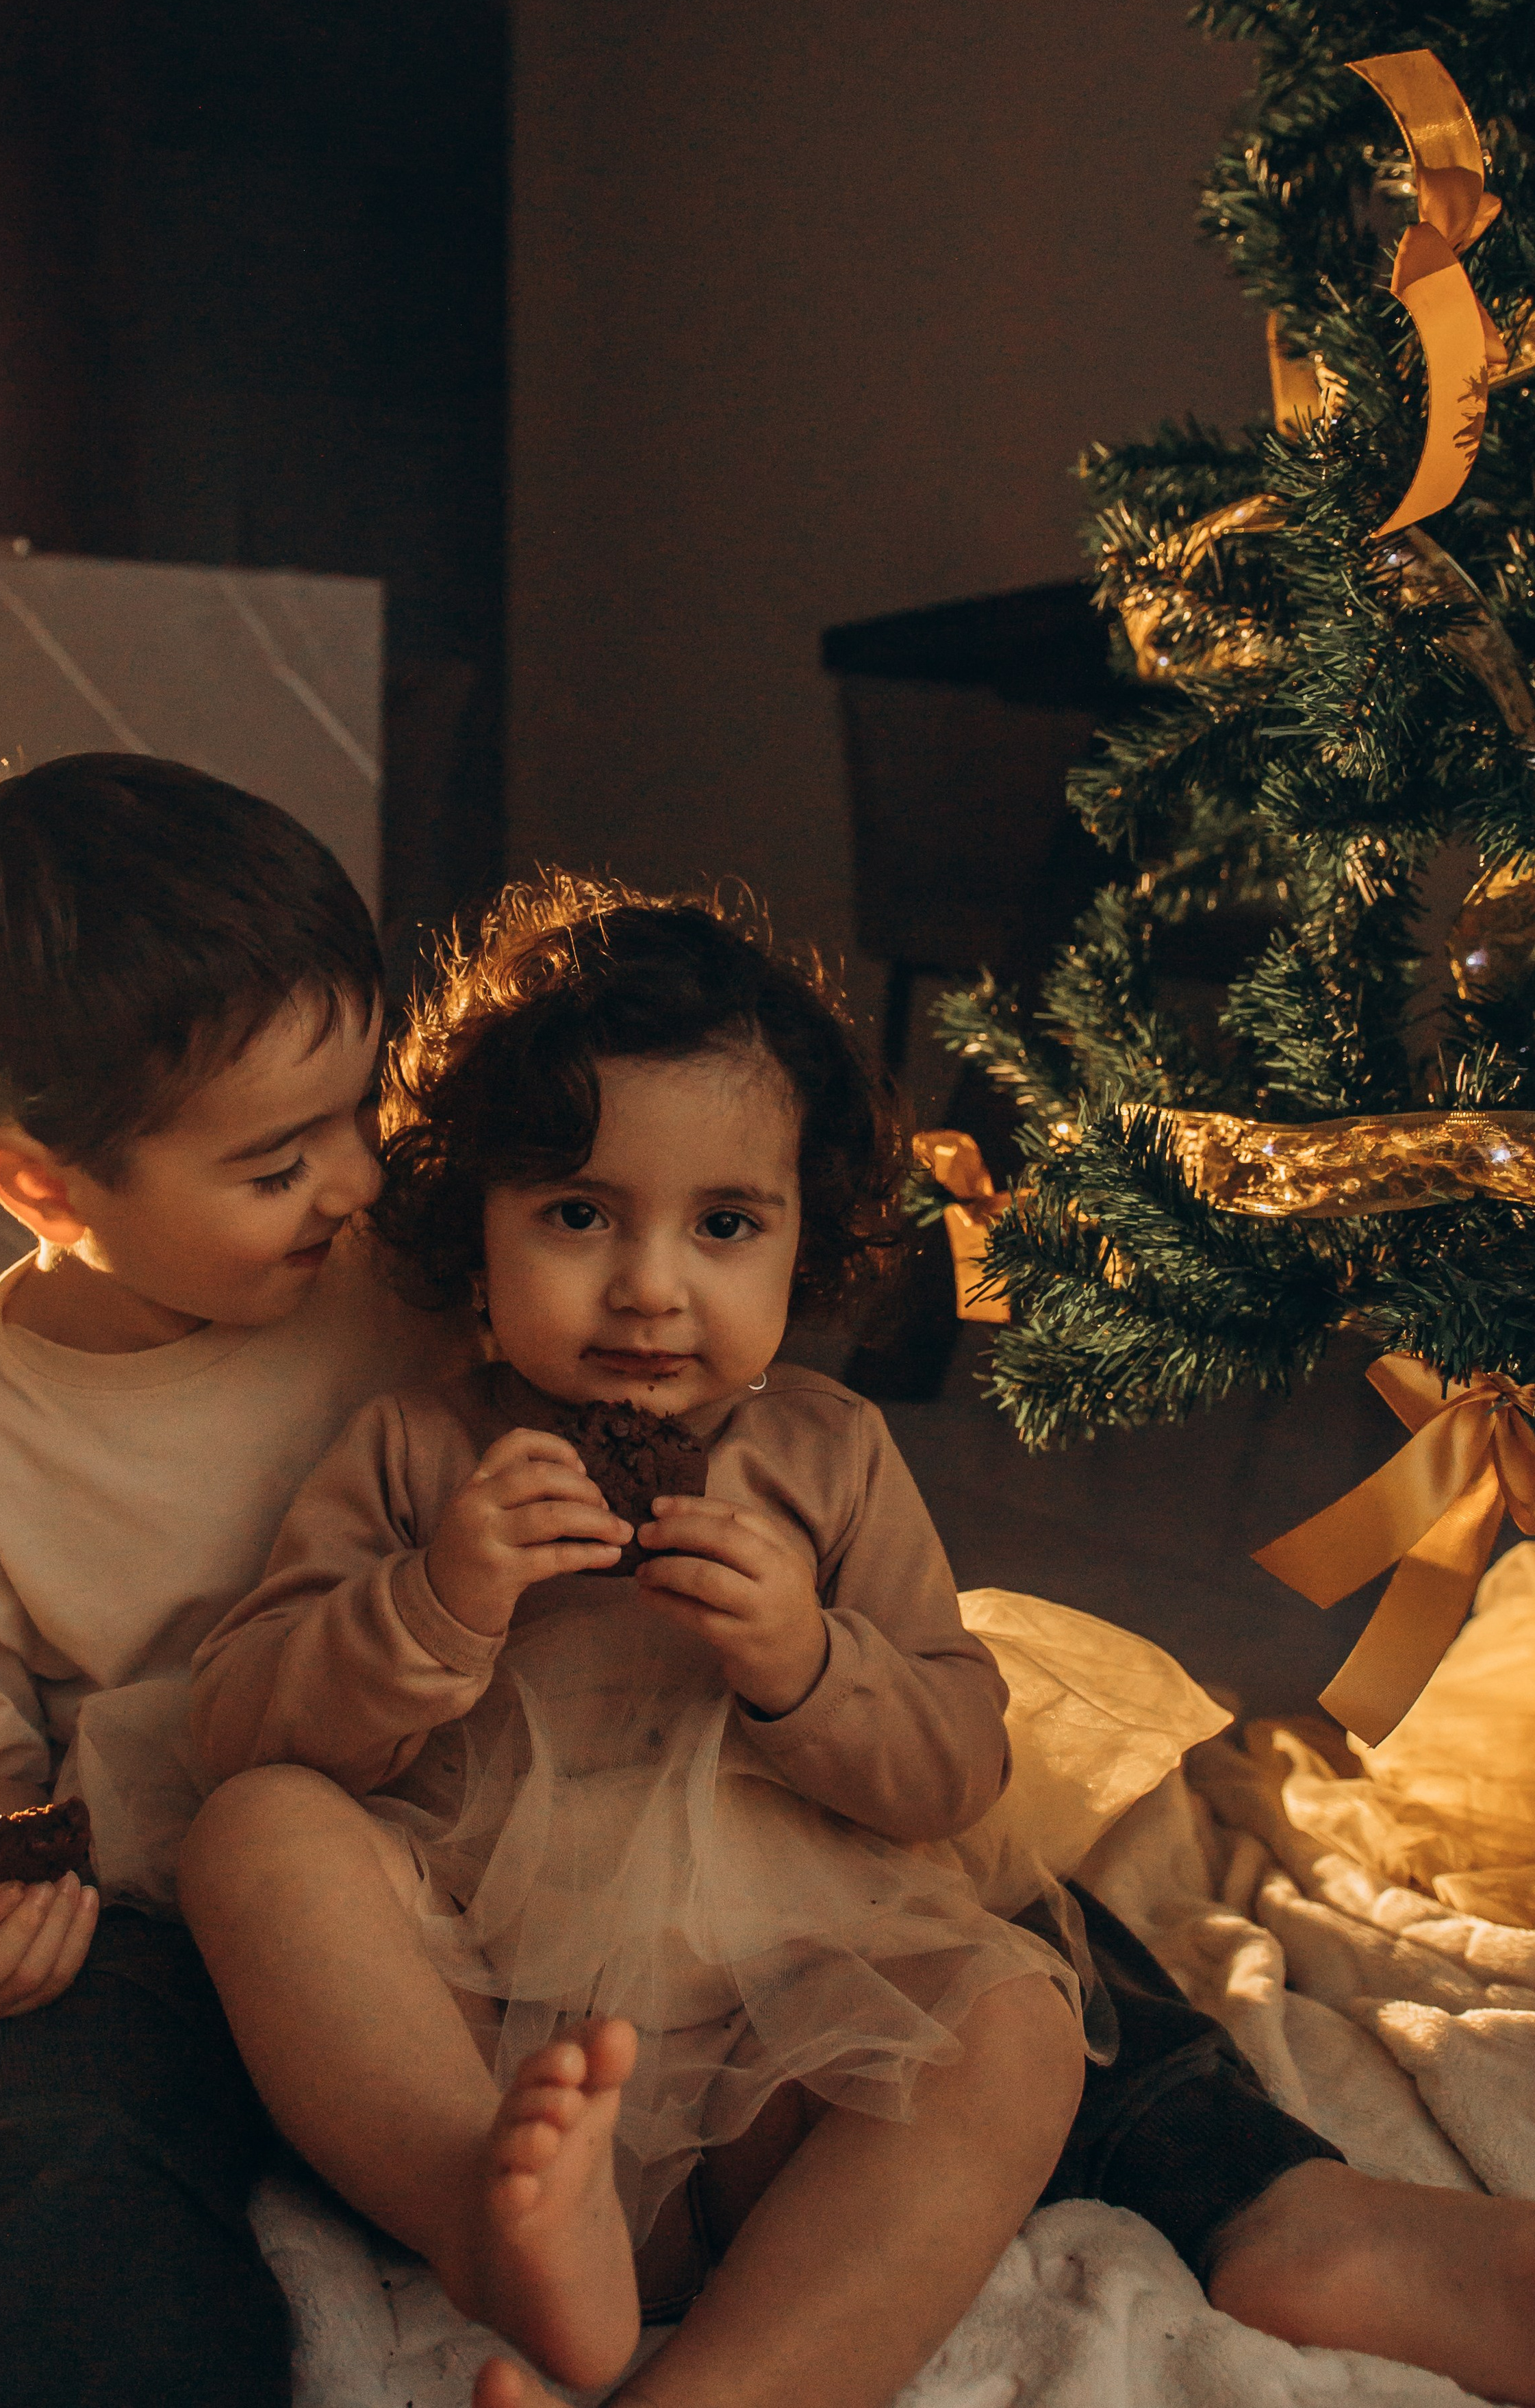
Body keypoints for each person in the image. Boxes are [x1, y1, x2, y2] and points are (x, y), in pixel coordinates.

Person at [181, 875, 1535, 2408]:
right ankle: (487, 2222)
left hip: (787, 2063)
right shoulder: (420, 1452)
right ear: (471, 1229)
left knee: (1013, 2027)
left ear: (802, 1243)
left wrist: (805, 1664)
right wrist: (432, 1598)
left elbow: (952, 1766)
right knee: (255, 1833)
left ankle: (731, 2390)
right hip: (483, 2050)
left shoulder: (826, 1456)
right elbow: (243, 1724)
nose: (648, 1285)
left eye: (723, 1226)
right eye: (576, 1214)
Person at [0, 753, 471, 2408]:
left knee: (927, 1913)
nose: (347, 1180)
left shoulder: (405, 1268)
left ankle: (1220, 2159)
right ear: (44, 1187)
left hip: (491, 1835)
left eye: (363, 1109)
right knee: (17, 2116)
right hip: (174, 1923)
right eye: (276, 1164)